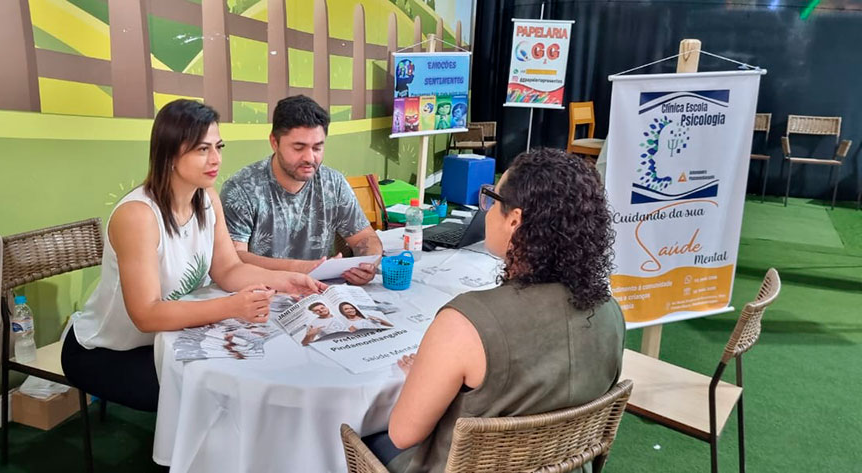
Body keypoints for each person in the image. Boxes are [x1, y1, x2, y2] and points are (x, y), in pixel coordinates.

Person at [61, 100, 325, 412]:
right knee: (218, 396)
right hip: (108, 351)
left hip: (171, 337)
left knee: (256, 369)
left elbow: (228, 269)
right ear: (170, 153)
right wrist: (230, 307)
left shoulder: (206, 197)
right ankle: (183, 462)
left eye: (218, 146)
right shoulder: (138, 216)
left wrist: (285, 281)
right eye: (202, 149)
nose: (215, 159)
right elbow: (146, 315)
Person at [380, 148, 625, 473]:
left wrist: (421, 378)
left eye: (492, 199)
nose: (488, 210)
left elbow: (402, 434)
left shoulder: (466, 322)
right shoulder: (610, 312)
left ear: (514, 220)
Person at [220, 95, 382, 285]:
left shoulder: (334, 183)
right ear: (274, 142)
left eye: (317, 148)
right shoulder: (241, 189)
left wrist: (368, 263)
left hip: (318, 292)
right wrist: (301, 268)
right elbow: (235, 258)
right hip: (260, 292)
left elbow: (366, 238)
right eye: (298, 148)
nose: (309, 158)